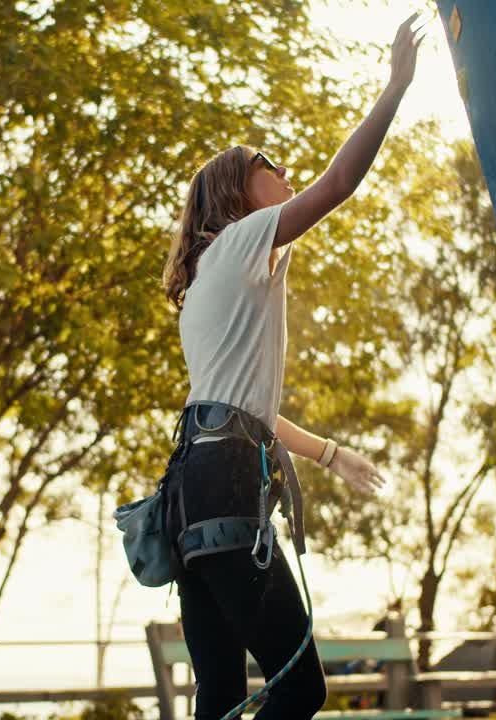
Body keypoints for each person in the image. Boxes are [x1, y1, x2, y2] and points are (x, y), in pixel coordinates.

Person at [156, 13, 424, 720]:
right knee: (300, 687)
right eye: (267, 163)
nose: (283, 171)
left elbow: (248, 408)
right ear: (236, 193)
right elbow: (339, 183)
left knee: (217, 696)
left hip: (186, 490)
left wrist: (331, 454)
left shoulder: (205, 283)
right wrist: (394, 88)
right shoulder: (245, 241)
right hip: (223, 479)